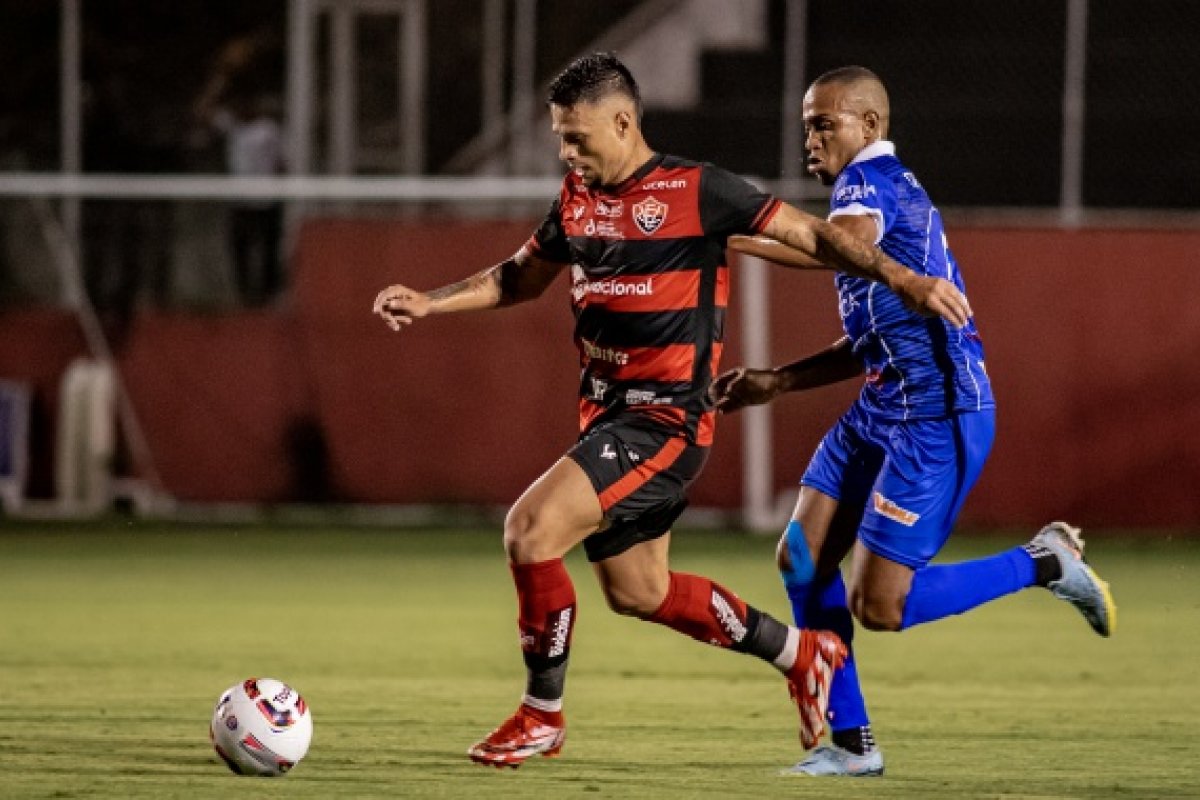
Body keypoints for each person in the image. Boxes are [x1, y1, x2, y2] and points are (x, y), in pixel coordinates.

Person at [372, 53, 972, 769]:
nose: (567, 152)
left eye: (578, 137)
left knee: (529, 531)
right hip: (605, 416)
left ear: (623, 121)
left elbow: (813, 236)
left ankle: (541, 716)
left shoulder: (698, 189)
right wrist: (431, 301)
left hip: (665, 422)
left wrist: (906, 277)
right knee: (639, 590)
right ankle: (803, 653)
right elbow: (517, 279)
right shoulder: (576, 198)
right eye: (561, 138)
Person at [710, 66, 1117, 777]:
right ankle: (852, 742)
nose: (811, 137)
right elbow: (867, 329)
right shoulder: (856, 213)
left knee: (881, 606)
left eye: (824, 123)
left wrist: (731, 232)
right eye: (807, 123)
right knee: (801, 557)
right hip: (880, 407)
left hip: (940, 417)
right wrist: (780, 380)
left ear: (868, 127)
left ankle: (1045, 562)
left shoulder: (872, 185)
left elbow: (836, 242)